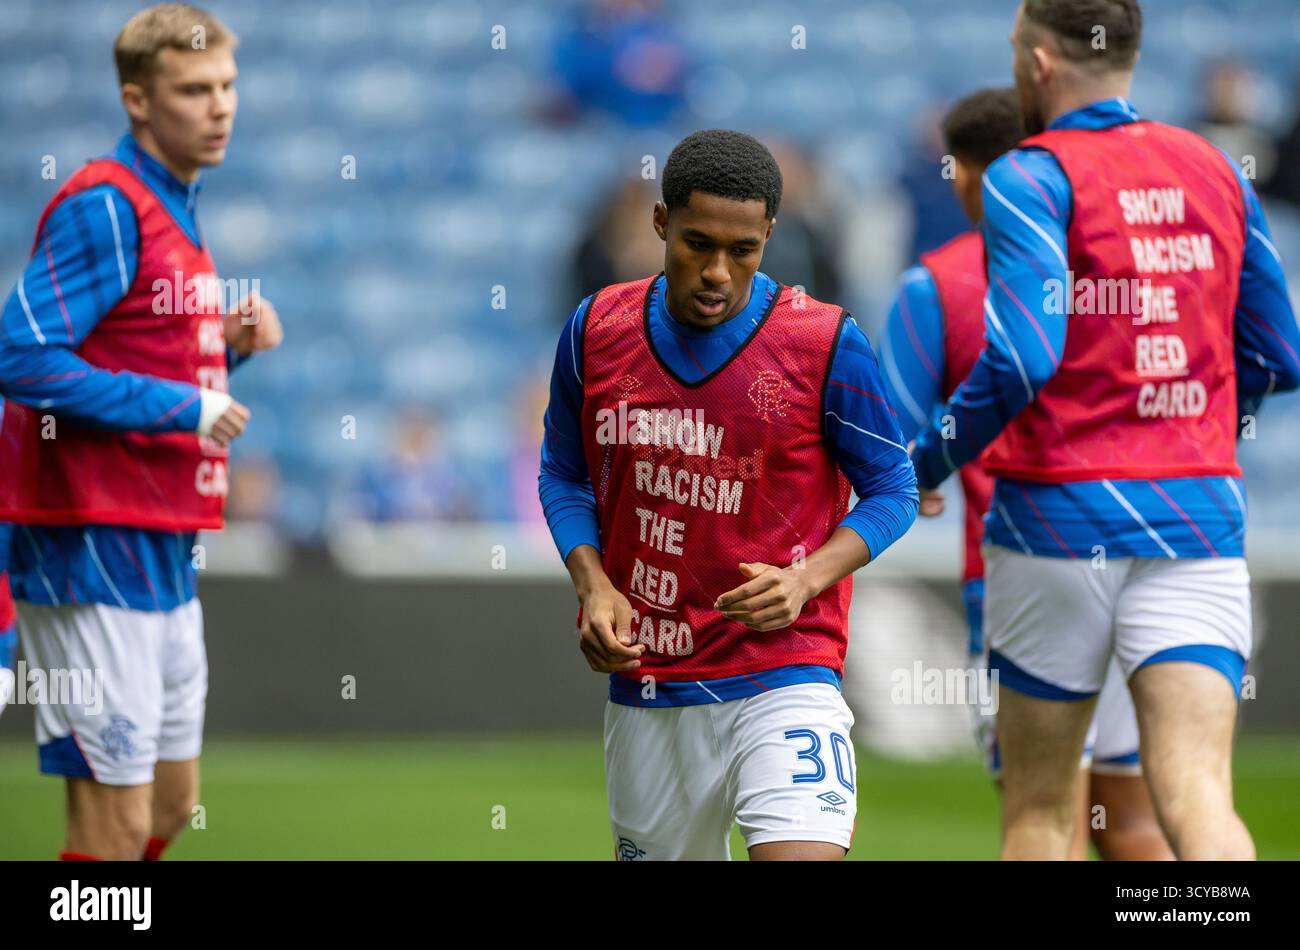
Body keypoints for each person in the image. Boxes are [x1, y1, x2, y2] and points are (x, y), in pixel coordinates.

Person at [909, 0, 1300, 860]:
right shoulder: (1213, 167)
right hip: (1197, 518)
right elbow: (1279, 353)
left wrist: (929, 460)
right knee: (1196, 796)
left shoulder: (1032, 173)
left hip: (1056, 522)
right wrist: (1202, 424)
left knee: (1043, 813)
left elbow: (1019, 358)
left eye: (1016, 48)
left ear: (1041, 65)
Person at [539, 129, 918, 860]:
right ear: (659, 224)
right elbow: (563, 471)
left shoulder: (824, 343)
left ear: (770, 235)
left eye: (742, 251)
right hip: (652, 678)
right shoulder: (595, 331)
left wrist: (808, 577)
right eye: (696, 243)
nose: (717, 271)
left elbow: (893, 487)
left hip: (785, 666)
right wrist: (593, 584)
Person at [0, 3, 283, 861]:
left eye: (228, 85)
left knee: (169, 804)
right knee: (113, 827)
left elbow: (136, 361)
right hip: (88, 540)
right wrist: (186, 407)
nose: (220, 106)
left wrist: (223, 358)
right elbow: (21, 353)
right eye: (194, 89)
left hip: (157, 541)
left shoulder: (176, 209)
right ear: (137, 99)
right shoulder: (106, 204)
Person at [881, 86, 1171, 860]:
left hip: (1024, 570)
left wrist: (924, 472)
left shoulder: (936, 287)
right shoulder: (1127, 261)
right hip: (1159, 549)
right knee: (1138, 822)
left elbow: (887, 447)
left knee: (1045, 819)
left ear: (965, 174)